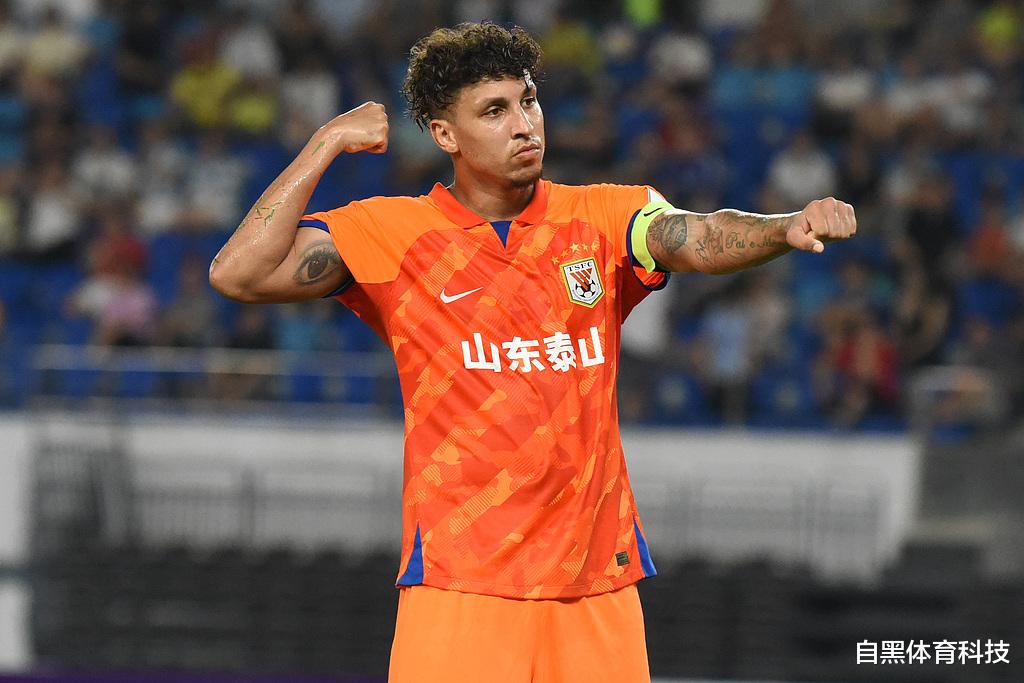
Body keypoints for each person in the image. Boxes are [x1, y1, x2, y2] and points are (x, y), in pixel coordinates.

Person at [208, 22, 856, 683]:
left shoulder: (603, 218)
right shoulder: (392, 234)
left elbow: (699, 235)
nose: (524, 125)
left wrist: (786, 226)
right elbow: (238, 272)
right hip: (461, 586)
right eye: (494, 111)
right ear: (445, 135)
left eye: (529, 101)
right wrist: (325, 142)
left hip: (596, 587)